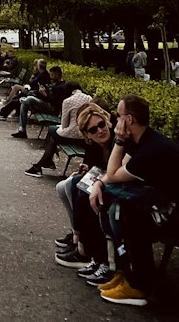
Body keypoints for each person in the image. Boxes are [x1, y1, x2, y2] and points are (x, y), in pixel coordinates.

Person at [89, 93, 179, 307]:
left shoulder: (151, 150)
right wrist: (100, 183)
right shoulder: (145, 140)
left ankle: (139, 286)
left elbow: (113, 173)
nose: (115, 120)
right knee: (125, 210)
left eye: (118, 115)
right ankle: (129, 274)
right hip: (172, 208)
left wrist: (119, 140)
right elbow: (115, 173)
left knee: (134, 219)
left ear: (129, 120)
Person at [53, 101, 116, 286]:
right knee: (76, 187)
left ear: (107, 121)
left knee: (83, 197)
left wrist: (97, 178)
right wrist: (87, 171)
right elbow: (95, 166)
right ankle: (85, 246)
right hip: (104, 181)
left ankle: (86, 248)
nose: (99, 131)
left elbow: (116, 171)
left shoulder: (118, 141)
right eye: (93, 130)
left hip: (114, 185)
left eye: (101, 125)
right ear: (87, 135)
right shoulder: (94, 145)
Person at [25, 83, 93, 175]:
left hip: (72, 136)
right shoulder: (89, 98)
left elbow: (64, 125)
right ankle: (44, 163)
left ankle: (41, 164)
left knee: (52, 131)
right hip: (85, 137)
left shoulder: (67, 101)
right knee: (54, 135)